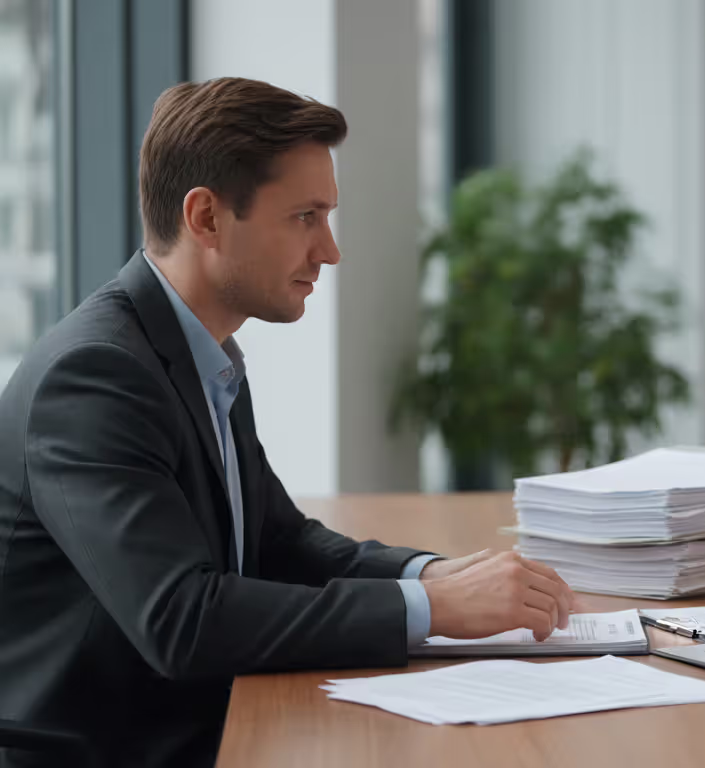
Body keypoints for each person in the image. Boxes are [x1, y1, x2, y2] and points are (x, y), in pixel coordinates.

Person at [0, 78, 575, 768]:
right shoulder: (96, 376)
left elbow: (280, 542)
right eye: (305, 216)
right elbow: (182, 619)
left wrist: (436, 577)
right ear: (207, 218)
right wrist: (436, 612)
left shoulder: (198, 353)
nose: (329, 251)